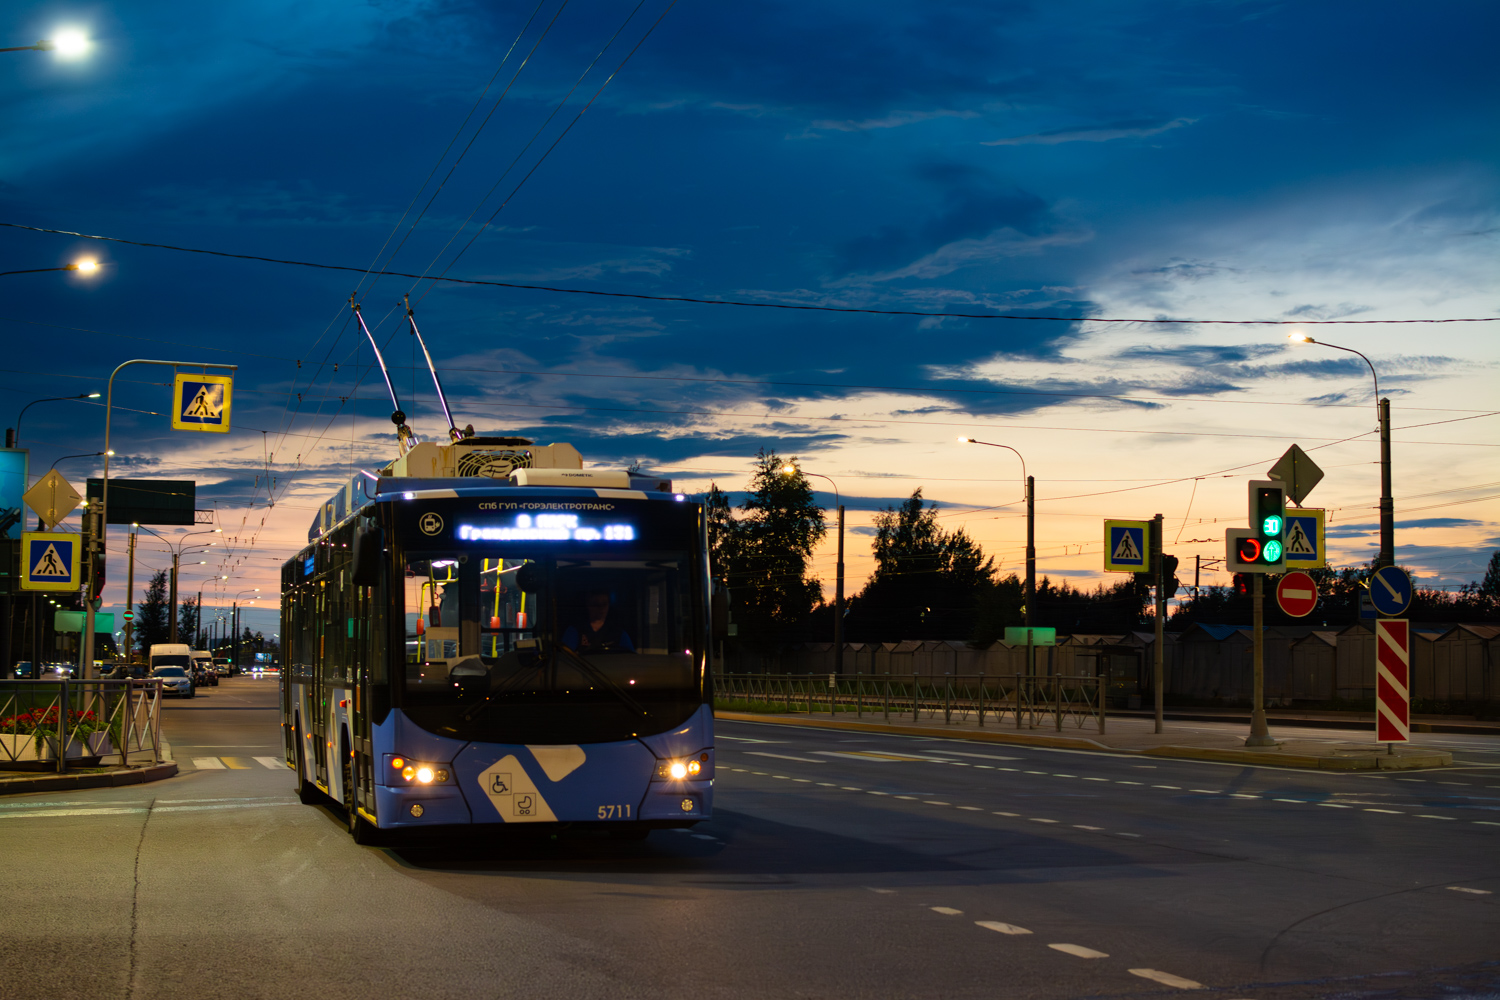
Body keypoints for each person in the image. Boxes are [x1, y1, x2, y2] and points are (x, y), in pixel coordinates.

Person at [561, 589, 634, 653]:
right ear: (588, 605)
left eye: (604, 604)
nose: (601, 608)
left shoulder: (619, 633)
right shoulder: (575, 631)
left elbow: (630, 657)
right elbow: (565, 658)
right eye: (596, 604)